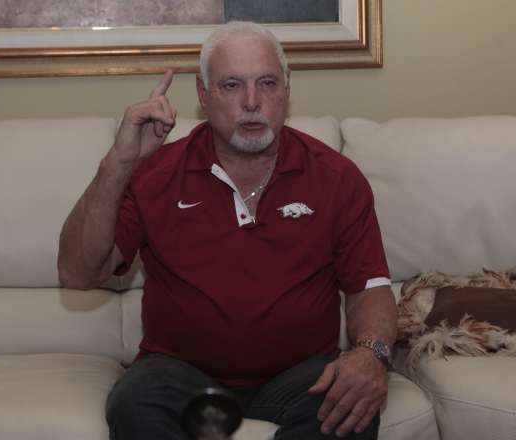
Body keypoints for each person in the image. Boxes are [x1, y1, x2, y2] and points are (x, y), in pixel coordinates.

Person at [57, 21, 397, 439]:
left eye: (267, 83)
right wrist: (119, 164)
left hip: (300, 373)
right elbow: (78, 273)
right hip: (178, 373)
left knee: (348, 412)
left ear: (287, 88)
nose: (252, 102)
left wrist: (371, 353)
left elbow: (370, 288)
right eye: (232, 85)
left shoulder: (336, 177)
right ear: (203, 93)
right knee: (136, 404)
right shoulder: (156, 173)